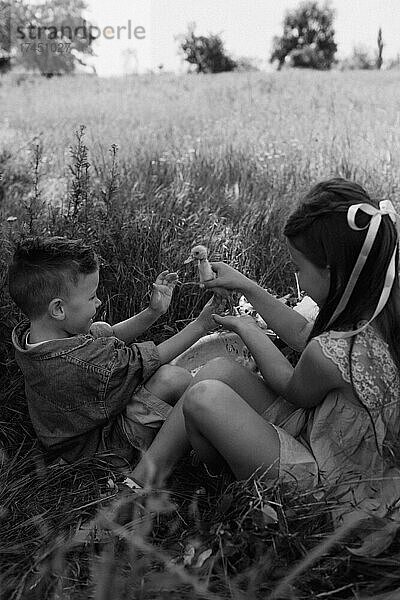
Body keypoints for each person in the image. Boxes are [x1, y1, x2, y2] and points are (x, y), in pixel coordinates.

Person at [128, 178, 400, 519]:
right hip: (326, 439)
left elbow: (291, 386)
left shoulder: (335, 350)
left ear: (332, 272)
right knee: (219, 371)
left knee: (203, 397)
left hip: (324, 485)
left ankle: (147, 489)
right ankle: (145, 479)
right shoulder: (372, 313)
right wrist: (245, 284)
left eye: (299, 269)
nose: (297, 277)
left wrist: (247, 326)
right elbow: (303, 332)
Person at [8, 236, 222, 470]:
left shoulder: (38, 339)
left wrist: (153, 312)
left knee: (139, 364)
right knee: (172, 379)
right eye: (92, 297)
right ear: (58, 308)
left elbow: (107, 339)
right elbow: (144, 360)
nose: (99, 301)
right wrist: (202, 325)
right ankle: (203, 447)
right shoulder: (79, 362)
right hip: (104, 449)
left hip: (71, 440)